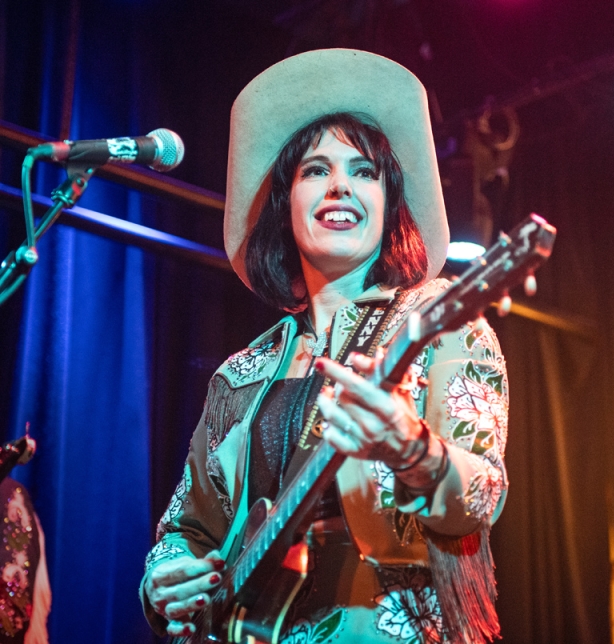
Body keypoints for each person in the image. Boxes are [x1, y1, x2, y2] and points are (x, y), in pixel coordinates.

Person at [141, 49, 509, 644]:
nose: (340, 185)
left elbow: (482, 495)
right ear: (284, 204)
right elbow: (186, 528)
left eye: (364, 171)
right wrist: (164, 579)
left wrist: (413, 450)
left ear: (390, 206)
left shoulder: (442, 325)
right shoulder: (240, 374)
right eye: (315, 170)